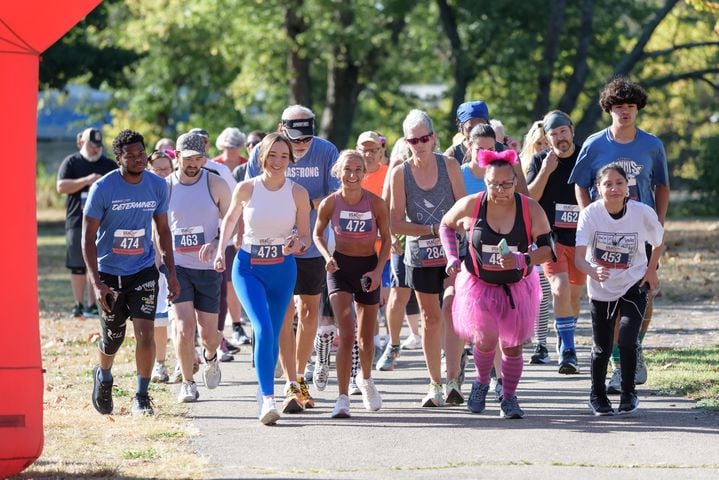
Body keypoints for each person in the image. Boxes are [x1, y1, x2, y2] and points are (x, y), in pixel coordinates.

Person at [569, 77, 669, 392]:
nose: (624, 112)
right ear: (608, 110)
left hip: (641, 234)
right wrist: (591, 219)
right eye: (618, 107)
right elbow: (580, 183)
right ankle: (616, 360)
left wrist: (659, 225)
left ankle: (633, 347)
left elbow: (662, 186)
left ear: (637, 109)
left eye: (630, 107)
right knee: (610, 297)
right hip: (606, 235)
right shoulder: (594, 144)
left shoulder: (652, 144)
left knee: (644, 292)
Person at [439, 149, 552, 418]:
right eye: (493, 184)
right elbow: (446, 224)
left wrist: (523, 259)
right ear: (485, 181)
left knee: (512, 345)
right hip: (479, 284)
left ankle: (509, 396)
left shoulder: (530, 208)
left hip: (517, 286)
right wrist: (452, 256)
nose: (500, 190)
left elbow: (548, 249)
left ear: (515, 181)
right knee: (486, 339)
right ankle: (480, 382)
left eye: (506, 184)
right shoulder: (472, 204)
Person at [245, 105, 339, 413]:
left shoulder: (326, 151)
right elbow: (248, 194)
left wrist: (305, 204)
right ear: (280, 128)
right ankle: (291, 382)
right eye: (295, 139)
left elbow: (336, 195)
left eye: (306, 139)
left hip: (312, 245)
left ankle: (299, 375)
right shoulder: (263, 150)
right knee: (284, 313)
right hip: (272, 247)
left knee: (309, 311)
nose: (300, 146)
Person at [214, 133, 310, 425]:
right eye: (273, 155)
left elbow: (305, 235)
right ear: (261, 157)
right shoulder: (246, 188)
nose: (278, 161)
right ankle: (268, 399)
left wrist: (299, 244)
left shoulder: (298, 193)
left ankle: (264, 388)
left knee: (277, 327)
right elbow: (229, 220)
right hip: (248, 267)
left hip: (282, 268)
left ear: (290, 160)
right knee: (263, 327)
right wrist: (221, 251)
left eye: (284, 156)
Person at [83, 129, 180, 416]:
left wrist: (171, 273)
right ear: (118, 159)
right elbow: (87, 238)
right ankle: (104, 375)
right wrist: (96, 282)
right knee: (113, 337)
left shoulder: (157, 186)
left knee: (146, 334)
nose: (138, 159)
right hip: (109, 273)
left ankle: (141, 395)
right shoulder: (103, 188)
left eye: (142, 154)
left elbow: (163, 231)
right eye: (131, 155)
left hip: (142, 270)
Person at [389, 109, 466, 407]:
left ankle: (454, 380)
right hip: (420, 255)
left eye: (424, 138)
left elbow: (463, 208)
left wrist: (449, 230)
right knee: (430, 318)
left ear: (433, 138)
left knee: (451, 311)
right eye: (413, 140)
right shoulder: (400, 173)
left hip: (452, 251)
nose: (419, 144)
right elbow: (395, 223)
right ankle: (434, 383)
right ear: (407, 142)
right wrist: (431, 228)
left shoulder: (449, 165)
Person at [574, 164, 663, 415]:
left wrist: (651, 270)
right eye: (608, 184)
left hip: (633, 283)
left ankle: (628, 393)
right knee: (601, 347)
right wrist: (593, 271)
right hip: (601, 288)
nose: (614, 188)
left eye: (619, 183)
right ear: (598, 189)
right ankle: (597, 395)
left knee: (626, 339)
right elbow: (579, 258)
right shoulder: (590, 214)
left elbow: (657, 241)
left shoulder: (642, 212)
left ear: (627, 188)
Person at [314, 150, 390, 417]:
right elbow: (317, 234)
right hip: (339, 269)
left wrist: (379, 271)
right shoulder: (330, 203)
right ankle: (342, 398)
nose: (353, 174)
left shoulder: (376, 203)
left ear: (365, 173)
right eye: (347, 169)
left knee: (365, 338)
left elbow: (388, 240)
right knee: (345, 333)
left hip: (368, 269)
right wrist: (326, 257)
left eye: (358, 169)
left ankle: (366, 380)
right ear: (338, 172)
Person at [169, 133, 232, 403]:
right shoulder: (165, 187)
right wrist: (161, 260)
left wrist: (217, 242)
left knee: (209, 334)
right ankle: (187, 382)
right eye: (188, 159)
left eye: (198, 159)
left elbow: (231, 222)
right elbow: (157, 226)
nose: (193, 164)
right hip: (178, 267)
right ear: (177, 157)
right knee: (184, 328)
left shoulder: (215, 184)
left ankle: (210, 356)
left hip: (207, 269)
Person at [526, 111, 586, 373]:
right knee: (559, 289)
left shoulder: (586, 157)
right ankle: (569, 353)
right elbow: (528, 198)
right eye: (554, 134)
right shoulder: (540, 160)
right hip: (551, 238)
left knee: (573, 298)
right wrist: (546, 171)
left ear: (571, 130)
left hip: (581, 238)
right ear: (547, 138)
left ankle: (565, 337)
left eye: (563, 131)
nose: (560, 138)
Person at [188, 127, 239, 362]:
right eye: (195, 141)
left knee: (219, 291)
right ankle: (193, 344)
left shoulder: (219, 170)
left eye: (204, 141)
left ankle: (217, 340)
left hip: (219, 239)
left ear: (209, 145)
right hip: (187, 244)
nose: (200, 145)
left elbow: (233, 204)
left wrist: (229, 235)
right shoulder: (180, 171)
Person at [56, 127, 117, 318]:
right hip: (77, 221)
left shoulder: (108, 164)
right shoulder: (71, 162)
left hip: (103, 223)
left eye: (98, 146)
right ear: (81, 142)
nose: (95, 150)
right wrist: (86, 181)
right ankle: (78, 304)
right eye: (91, 146)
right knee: (77, 265)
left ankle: (92, 305)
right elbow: (61, 186)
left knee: (97, 264)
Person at [147, 150, 175, 383]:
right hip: (152, 265)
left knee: (181, 317)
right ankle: (160, 364)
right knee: (159, 318)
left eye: (167, 169)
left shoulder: (178, 193)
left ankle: (184, 362)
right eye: (158, 169)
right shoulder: (145, 192)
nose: (163, 173)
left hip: (178, 264)